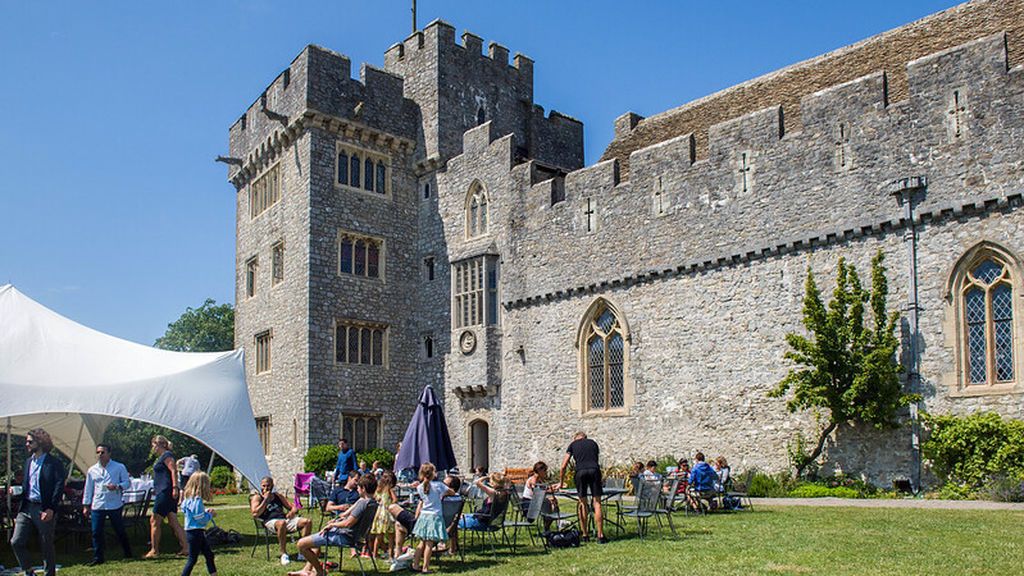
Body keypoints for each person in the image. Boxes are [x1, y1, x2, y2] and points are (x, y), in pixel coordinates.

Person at [292, 474, 378, 576]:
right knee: (315, 542)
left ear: (363, 488)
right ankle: (306, 570)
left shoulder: (362, 504)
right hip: (357, 537)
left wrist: (333, 524)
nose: (357, 489)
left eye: (358, 487)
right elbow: (355, 507)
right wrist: (343, 515)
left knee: (301, 544)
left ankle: (320, 571)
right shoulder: (372, 503)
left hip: (344, 537)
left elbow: (348, 523)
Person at [9, 428, 64, 576]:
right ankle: (29, 571)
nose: (27, 444)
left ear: (40, 442)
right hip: (26, 507)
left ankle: (49, 573)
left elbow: (59, 486)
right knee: (16, 541)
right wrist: (17, 490)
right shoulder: (28, 462)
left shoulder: (53, 463)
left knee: (46, 544)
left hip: (43, 507)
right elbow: (29, 485)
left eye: (30, 441)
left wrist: (51, 509)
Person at [82, 443, 133, 566]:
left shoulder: (119, 467)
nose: (100, 455)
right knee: (96, 531)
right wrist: (86, 505)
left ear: (109, 453)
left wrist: (117, 486)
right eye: (98, 452)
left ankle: (127, 552)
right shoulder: (92, 470)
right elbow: (88, 488)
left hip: (114, 504)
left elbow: (127, 483)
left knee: (119, 529)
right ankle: (98, 557)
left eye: (102, 452)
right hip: (98, 504)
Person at [249, 476, 312, 565]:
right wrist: (265, 500)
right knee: (281, 523)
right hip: (269, 522)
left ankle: (302, 552)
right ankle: (284, 554)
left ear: (272, 486)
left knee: (307, 522)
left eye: (268, 486)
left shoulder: (277, 496)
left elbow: (293, 507)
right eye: (264, 486)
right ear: (260, 486)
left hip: (284, 520)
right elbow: (255, 513)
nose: (266, 488)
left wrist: (292, 512)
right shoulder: (257, 497)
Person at [559, 431, 607, 544]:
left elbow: (563, 466)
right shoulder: (593, 443)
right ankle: (600, 535)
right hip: (594, 471)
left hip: (580, 472)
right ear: (585, 438)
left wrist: (561, 482)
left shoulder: (572, 445)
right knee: (597, 502)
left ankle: (585, 534)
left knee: (582, 502)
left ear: (576, 438)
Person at [145, 435, 188, 559]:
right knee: (173, 521)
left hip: (166, 491)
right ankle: (186, 547)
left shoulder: (167, 456)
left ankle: (154, 550)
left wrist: (175, 488)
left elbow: (173, 471)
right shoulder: (163, 457)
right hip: (163, 491)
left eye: (154, 445)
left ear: (160, 445)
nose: (153, 448)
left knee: (154, 520)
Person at [411, 463, 453, 574]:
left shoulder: (420, 487)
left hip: (423, 516)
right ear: (433, 473)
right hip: (434, 516)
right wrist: (444, 494)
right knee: (429, 544)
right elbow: (452, 492)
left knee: (421, 543)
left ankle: (415, 564)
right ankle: (425, 567)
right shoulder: (439, 485)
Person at [180, 472, 217, 576]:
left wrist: (204, 511)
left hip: (193, 532)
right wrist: (210, 515)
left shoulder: (188, 499)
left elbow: (191, 512)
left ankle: (214, 573)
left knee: (209, 555)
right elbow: (200, 519)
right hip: (195, 532)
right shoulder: (197, 501)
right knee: (192, 559)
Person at [521, 461, 561, 531]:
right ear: (540, 471)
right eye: (545, 470)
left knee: (553, 501)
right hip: (528, 505)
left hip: (534, 502)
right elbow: (537, 492)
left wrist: (554, 486)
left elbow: (544, 489)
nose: (546, 472)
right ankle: (550, 524)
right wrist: (551, 490)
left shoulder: (539, 480)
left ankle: (550, 523)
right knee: (550, 502)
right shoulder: (533, 479)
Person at [369, 470, 397, 560]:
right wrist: (391, 504)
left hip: (379, 513)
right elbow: (395, 499)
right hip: (387, 513)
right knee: (391, 536)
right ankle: (390, 554)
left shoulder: (378, 489)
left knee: (379, 535)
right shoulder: (389, 489)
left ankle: (375, 553)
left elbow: (374, 498)